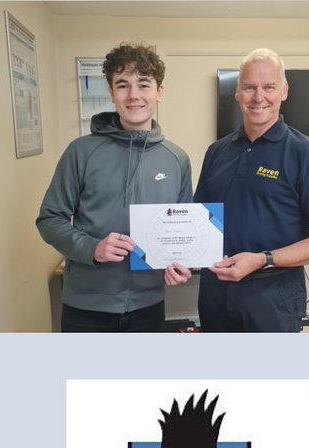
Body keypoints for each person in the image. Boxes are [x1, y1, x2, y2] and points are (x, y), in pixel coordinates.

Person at [36, 42, 193, 333]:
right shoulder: (81, 152)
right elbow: (49, 219)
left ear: (159, 92)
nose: (133, 95)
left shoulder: (177, 159)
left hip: (149, 307)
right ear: (111, 92)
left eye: (143, 85)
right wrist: (92, 248)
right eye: (123, 85)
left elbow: (182, 230)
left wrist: (180, 264)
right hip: (86, 309)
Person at [195, 48, 309, 332]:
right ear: (237, 93)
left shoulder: (307, 153)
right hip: (215, 296)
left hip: (273, 300)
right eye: (249, 87)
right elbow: (199, 224)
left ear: (284, 91)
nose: (258, 97)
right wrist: (177, 260)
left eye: (268, 87)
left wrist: (262, 259)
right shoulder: (216, 152)